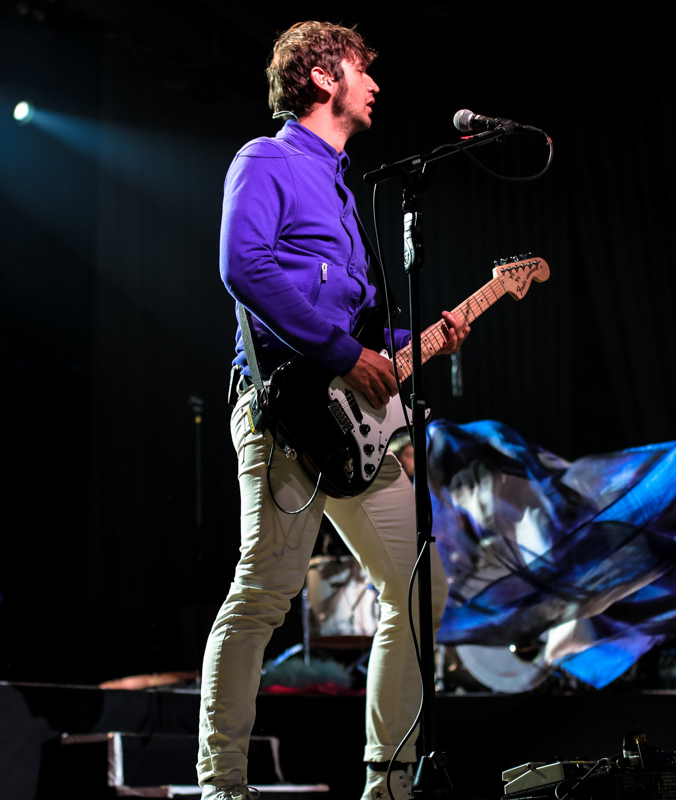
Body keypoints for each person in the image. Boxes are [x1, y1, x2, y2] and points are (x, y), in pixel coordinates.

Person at [200, 21, 470, 800]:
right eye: (361, 68)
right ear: (322, 76)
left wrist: (418, 339)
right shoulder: (266, 159)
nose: (375, 83)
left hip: (353, 422)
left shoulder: (348, 193)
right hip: (284, 413)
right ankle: (222, 786)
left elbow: (359, 332)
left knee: (418, 586)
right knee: (264, 593)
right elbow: (243, 266)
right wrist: (345, 353)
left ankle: (389, 785)